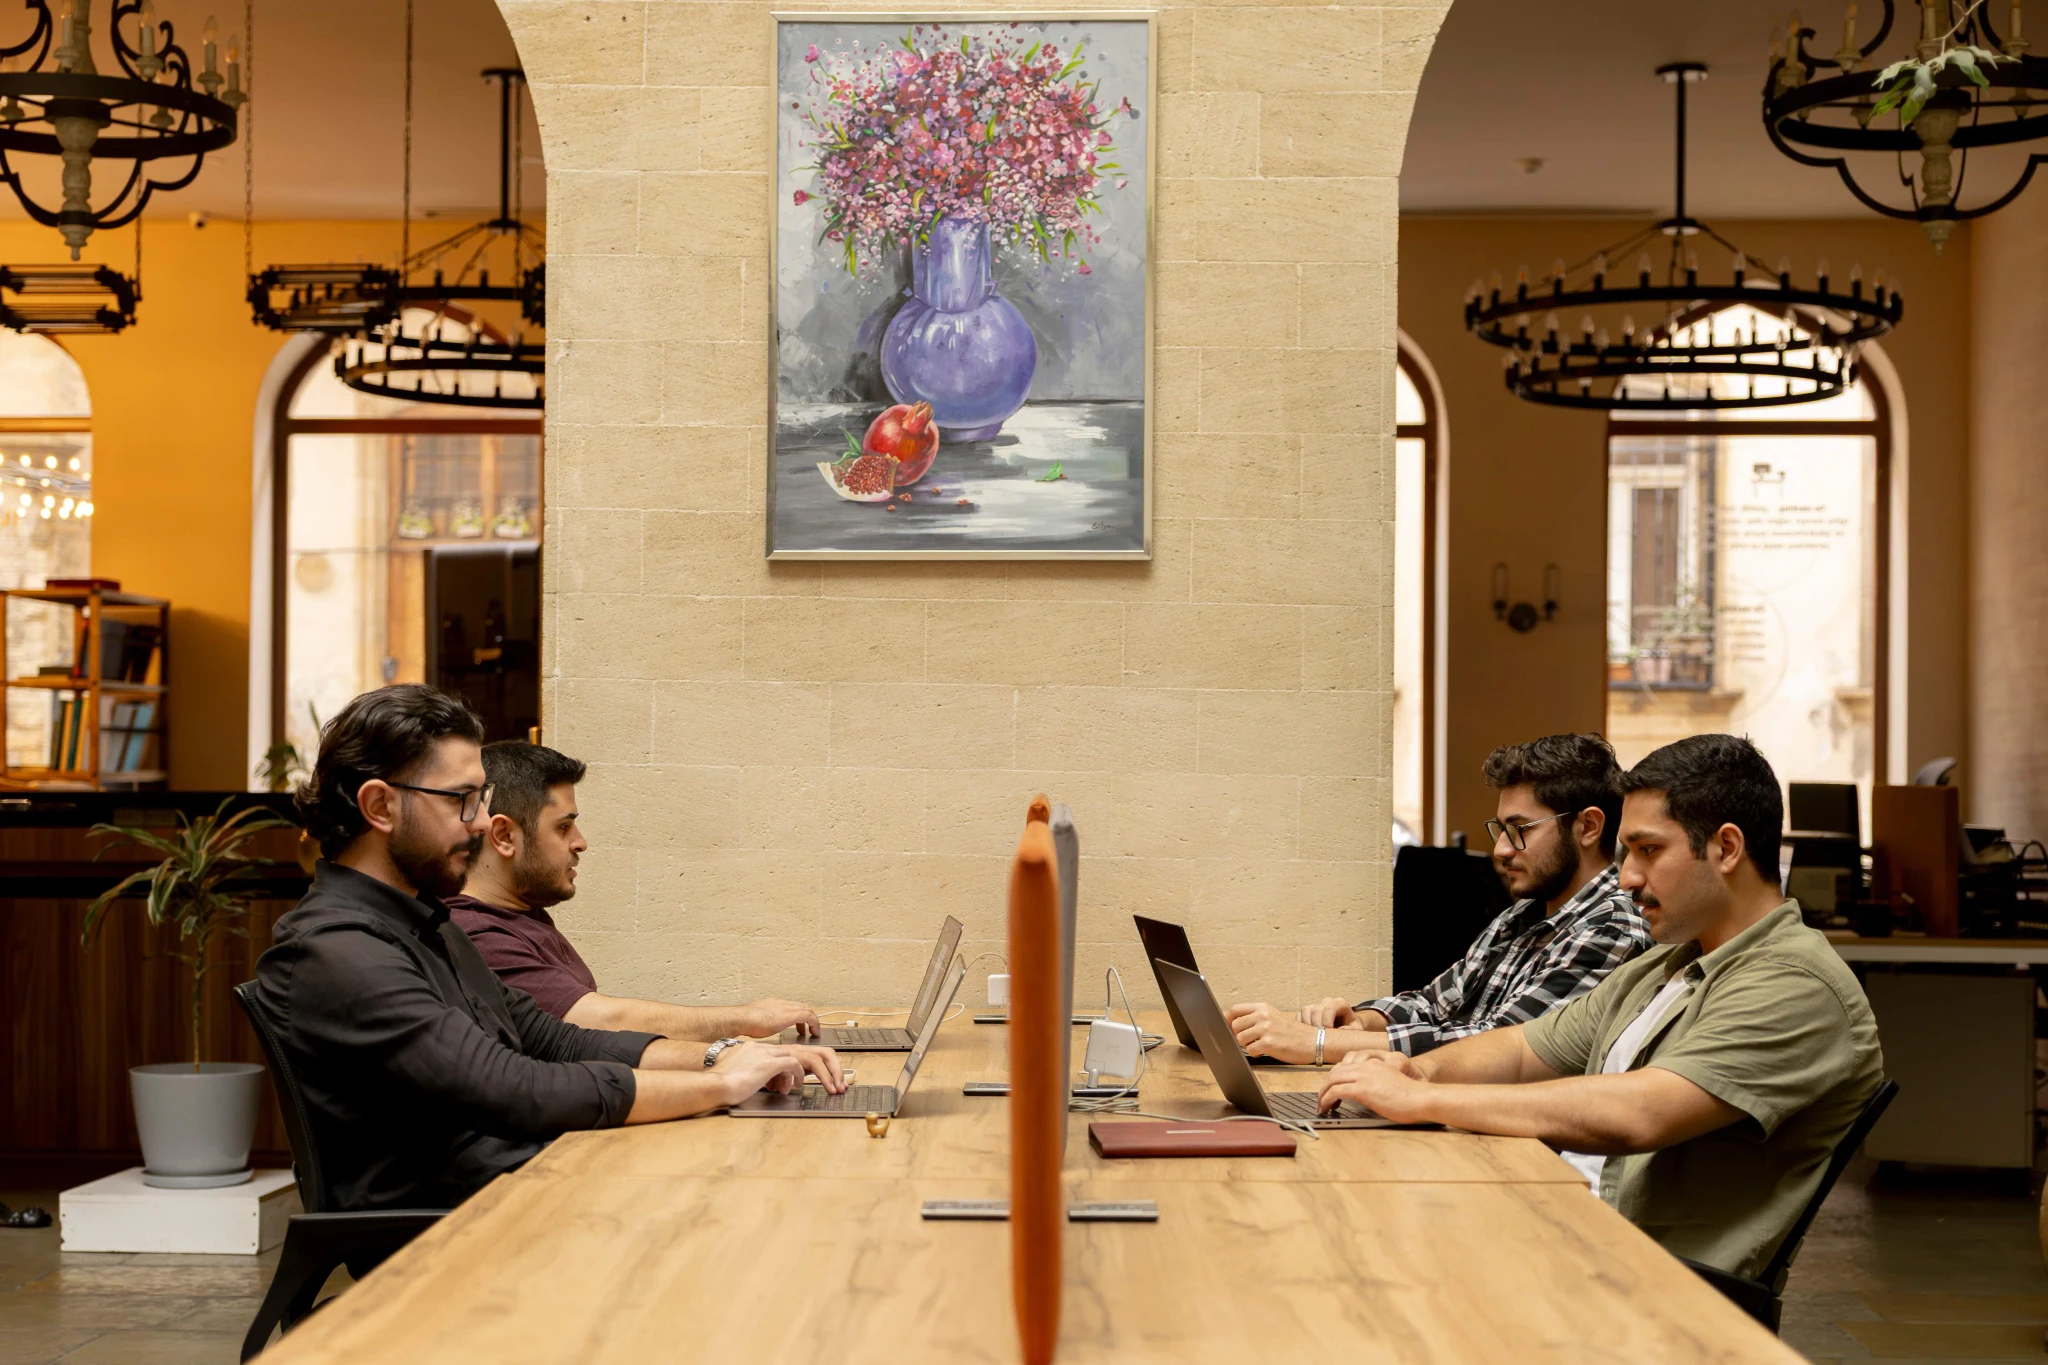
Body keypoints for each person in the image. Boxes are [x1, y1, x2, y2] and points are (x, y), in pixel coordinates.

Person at [251, 684, 844, 1211]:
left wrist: (722, 1059)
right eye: (463, 800)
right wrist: (717, 1087)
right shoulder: (338, 949)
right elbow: (512, 1087)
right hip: (450, 1229)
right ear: (380, 806)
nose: (483, 822)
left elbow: (557, 1040)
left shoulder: (425, 923)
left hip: (517, 1183)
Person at [1317, 734, 1883, 1278]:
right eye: (1626, 852)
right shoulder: (1666, 966)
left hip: (1646, 1280)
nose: (1628, 877)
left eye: (1648, 851)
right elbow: (1520, 1048)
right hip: (1570, 1235)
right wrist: (1418, 1068)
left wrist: (1422, 1098)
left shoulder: (1793, 982)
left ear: (1726, 848)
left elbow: (1636, 1114)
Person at [1226, 734, 1652, 1064]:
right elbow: (1432, 1003)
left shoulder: (1612, 929)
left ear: (1589, 827)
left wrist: (1320, 1043)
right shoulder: (1522, 915)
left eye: (1520, 828)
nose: (1502, 849)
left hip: (1522, 1148)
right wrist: (1360, 1021)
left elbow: (1495, 1046)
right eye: (1500, 829)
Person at [450, 740, 821, 1041]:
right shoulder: (476, 935)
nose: (580, 843)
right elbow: (598, 1022)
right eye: (563, 827)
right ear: (503, 835)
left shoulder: (522, 913)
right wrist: (747, 1020)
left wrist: (731, 1058)